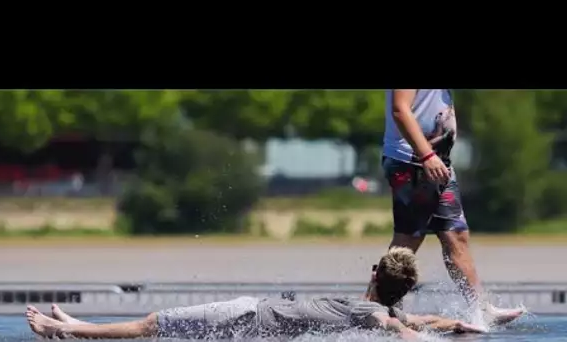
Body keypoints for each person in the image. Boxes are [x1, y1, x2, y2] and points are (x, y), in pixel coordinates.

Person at [26, 247, 489, 340]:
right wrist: (460, 326)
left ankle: (65, 330)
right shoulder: (379, 315)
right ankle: (75, 328)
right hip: (249, 321)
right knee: (157, 328)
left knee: (154, 324)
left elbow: (403, 330)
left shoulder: (368, 311)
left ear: (374, 274)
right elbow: (414, 324)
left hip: (245, 315)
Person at [381, 89, 524, 322]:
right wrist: (426, 155)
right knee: (408, 238)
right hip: (413, 161)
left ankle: (480, 308)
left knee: (456, 234)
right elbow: (400, 109)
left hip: (439, 163)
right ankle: (376, 306)